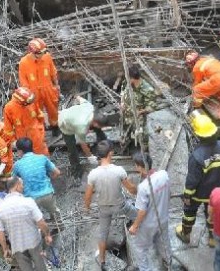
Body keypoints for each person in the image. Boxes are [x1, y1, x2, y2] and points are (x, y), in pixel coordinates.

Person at [176, 113, 220, 247]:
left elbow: (192, 180)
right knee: (212, 214)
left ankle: (186, 234)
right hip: (215, 191)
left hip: (198, 194)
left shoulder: (196, 156)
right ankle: (213, 239)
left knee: (189, 212)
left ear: (198, 134)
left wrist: (187, 195)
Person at [84, 141, 137, 270]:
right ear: (110, 153)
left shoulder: (93, 174)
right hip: (120, 206)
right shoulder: (119, 170)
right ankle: (139, 231)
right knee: (138, 215)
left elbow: (88, 195)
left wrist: (87, 207)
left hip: (104, 208)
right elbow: (131, 189)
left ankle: (102, 261)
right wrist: (139, 191)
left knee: (103, 234)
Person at [0, 177, 52, 271]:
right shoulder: (28, 202)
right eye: (22, 184)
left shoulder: (0, 208)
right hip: (34, 242)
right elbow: (41, 223)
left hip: (16, 245)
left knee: (25, 268)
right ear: (17, 185)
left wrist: (5, 249)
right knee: (40, 265)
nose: (23, 187)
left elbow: (0, 232)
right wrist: (47, 235)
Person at [128, 152, 171, 271]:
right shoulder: (164, 175)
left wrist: (135, 226)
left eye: (136, 165)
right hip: (164, 218)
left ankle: (144, 269)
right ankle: (168, 264)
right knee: (165, 242)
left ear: (139, 166)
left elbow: (141, 211)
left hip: (149, 224)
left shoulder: (143, 187)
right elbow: (168, 193)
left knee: (140, 248)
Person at [12, 138, 61, 227]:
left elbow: (13, 182)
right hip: (48, 193)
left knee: (34, 219)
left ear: (20, 151)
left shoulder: (17, 165)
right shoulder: (42, 158)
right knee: (55, 212)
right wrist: (50, 180)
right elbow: (57, 172)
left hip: (31, 198)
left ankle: (40, 233)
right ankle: (59, 227)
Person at [18, 38, 60, 136]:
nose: (43, 54)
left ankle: (55, 126)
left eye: (44, 52)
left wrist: (57, 86)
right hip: (33, 92)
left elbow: (53, 72)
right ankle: (41, 127)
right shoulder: (24, 63)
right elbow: (23, 82)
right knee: (36, 112)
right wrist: (28, 97)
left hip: (48, 88)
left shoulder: (47, 57)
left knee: (53, 109)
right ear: (33, 52)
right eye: (41, 53)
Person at [59, 96, 108, 177]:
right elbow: (82, 143)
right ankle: (76, 169)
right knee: (72, 148)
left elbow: (79, 98)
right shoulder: (82, 125)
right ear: (95, 122)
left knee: (99, 131)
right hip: (65, 122)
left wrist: (76, 97)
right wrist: (90, 157)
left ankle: (105, 148)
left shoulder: (90, 107)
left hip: (74, 116)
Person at [120, 65, 159, 150]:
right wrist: (122, 102)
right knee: (129, 133)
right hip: (127, 116)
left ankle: (143, 152)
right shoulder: (126, 83)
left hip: (139, 119)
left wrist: (141, 112)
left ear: (132, 78)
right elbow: (123, 91)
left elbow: (152, 107)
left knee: (142, 137)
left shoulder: (148, 89)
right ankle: (131, 144)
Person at [3, 87, 48, 156]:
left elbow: (39, 115)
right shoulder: (9, 108)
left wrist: (42, 128)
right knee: (27, 158)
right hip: (23, 137)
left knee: (42, 155)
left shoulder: (31, 101)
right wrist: (13, 141)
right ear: (21, 101)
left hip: (36, 134)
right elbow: (8, 129)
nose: (30, 104)